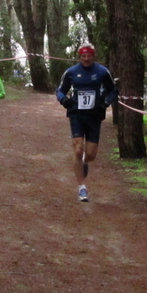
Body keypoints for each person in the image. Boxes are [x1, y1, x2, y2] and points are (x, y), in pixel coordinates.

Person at [56, 43, 118, 202]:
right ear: (79, 57)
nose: (86, 59)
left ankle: (85, 160)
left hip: (94, 116)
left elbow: (113, 91)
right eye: (83, 56)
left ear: (93, 56)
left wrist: (106, 102)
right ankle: (82, 188)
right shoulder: (71, 72)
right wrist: (64, 100)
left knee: (90, 154)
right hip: (76, 114)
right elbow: (60, 90)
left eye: (89, 56)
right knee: (77, 149)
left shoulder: (103, 72)